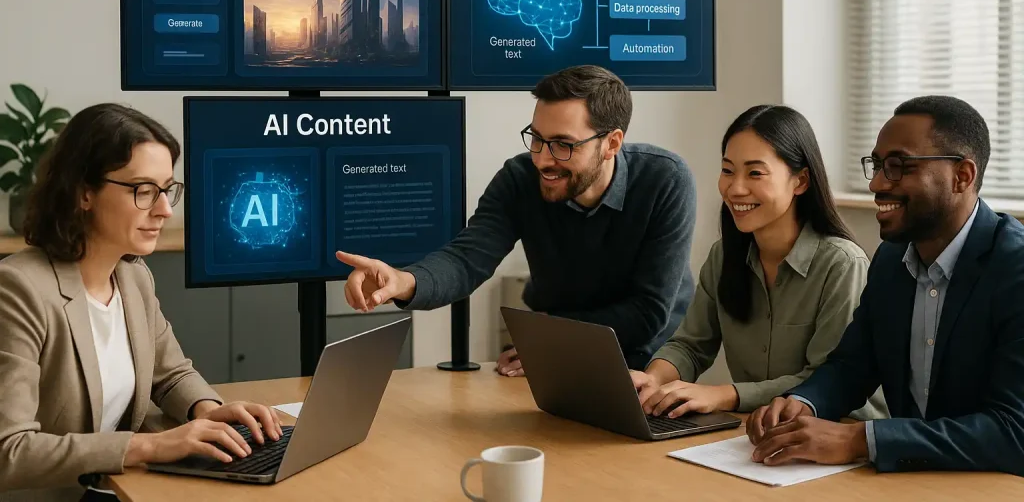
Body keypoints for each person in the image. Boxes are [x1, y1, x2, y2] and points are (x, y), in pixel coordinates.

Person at [0, 104, 282, 502]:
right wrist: (150, 445)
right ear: (84, 192)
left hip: (115, 488)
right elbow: (8, 451)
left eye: (166, 190)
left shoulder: (133, 277)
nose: (164, 210)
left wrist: (206, 409)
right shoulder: (19, 289)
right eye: (143, 190)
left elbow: (170, 375)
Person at [337, 65, 697, 374]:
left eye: (563, 144)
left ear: (612, 144)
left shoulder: (665, 180)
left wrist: (551, 340)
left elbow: (647, 313)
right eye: (536, 139)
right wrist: (403, 281)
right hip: (555, 348)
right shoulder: (519, 178)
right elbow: (466, 260)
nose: (542, 159)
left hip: (650, 360)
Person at [746, 96, 1024, 475]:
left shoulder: (1014, 268)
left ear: (962, 176)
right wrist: (803, 403)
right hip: (909, 483)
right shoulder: (892, 260)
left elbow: (1014, 431)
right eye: (876, 165)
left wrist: (859, 440)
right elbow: (853, 365)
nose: (876, 183)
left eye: (898, 166)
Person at [631, 105, 887, 421]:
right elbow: (690, 346)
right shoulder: (723, 256)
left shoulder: (842, 264)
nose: (735, 188)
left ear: (800, 181)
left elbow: (826, 380)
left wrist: (723, 395)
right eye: (727, 170)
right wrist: (652, 380)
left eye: (755, 173)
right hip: (759, 430)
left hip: (838, 428)